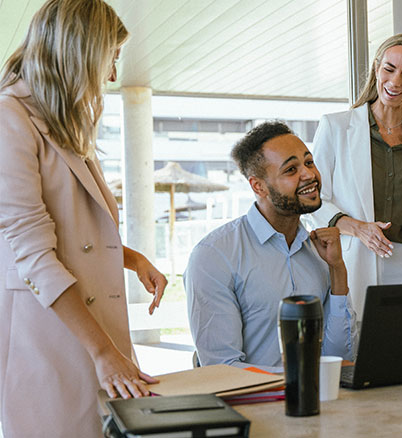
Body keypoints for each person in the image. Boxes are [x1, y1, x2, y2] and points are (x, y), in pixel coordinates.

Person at [0, 1, 168, 436]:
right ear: (78, 54)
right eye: (108, 60)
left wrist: (132, 259)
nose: (111, 76)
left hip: (89, 339)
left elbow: (74, 234)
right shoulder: (8, 120)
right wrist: (103, 352)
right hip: (49, 344)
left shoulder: (58, 121)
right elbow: (34, 256)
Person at [184, 121, 356, 371]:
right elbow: (222, 369)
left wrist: (337, 270)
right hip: (252, 406)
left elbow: (340, 360)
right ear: (258, 186)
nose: (309, 174)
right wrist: (303, 378)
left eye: (308, 162)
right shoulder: (214, 256)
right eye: (291, 170)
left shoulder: (321, 252)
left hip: (322, 400)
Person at [308, 33, 402, 316]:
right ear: (376, 68)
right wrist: (359, 228)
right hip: (355, 261)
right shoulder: (335, 127)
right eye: (389, 69)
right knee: (356, 348)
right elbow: (315, 201)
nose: (395, 82)